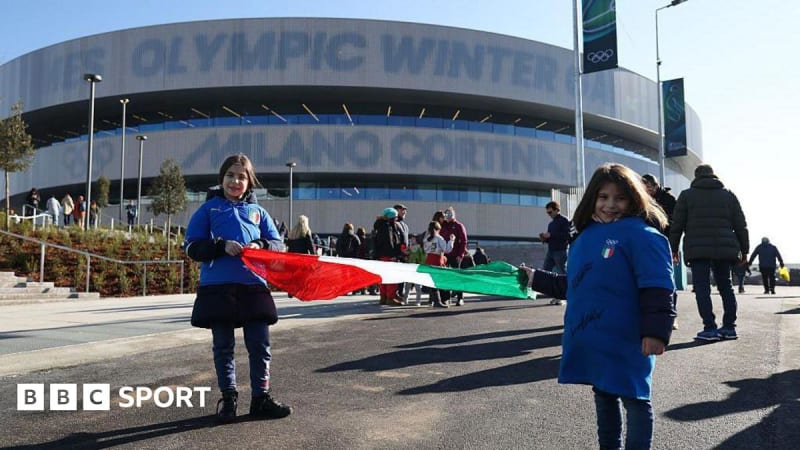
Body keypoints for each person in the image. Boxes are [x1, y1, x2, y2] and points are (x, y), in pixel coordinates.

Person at [524, 163, 675, 450]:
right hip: (593, 335)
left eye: (619, 198)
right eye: (603, 197)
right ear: (592, 198)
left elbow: (658, 286)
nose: (610, 205)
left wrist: (656, 332)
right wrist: (535, 278)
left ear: (634, 199)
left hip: (628, 335)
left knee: (635, 397)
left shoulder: (644, 235)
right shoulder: (583, 237)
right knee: (604, 394)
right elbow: (575, 284)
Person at [183, 153, 291, 423]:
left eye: (241, 176)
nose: (235, 181)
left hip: (253, 285)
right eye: (230, 175)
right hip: (217, 287)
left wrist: (261, 246)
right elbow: (191, 246)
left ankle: (261, 399)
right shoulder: (208, 209)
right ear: (221, 179)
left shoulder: (259, 213)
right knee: (223, 347)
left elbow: (278, 245)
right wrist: (220, 246)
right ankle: (229, 399)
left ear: (249, 182)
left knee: (260, 345)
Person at [669, 164, 749, 342]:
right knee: (726, 287)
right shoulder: (728, 195)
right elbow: (741, 225)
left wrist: (673, 248)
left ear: (696, 177)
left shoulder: (687, 195)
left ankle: (710, 328)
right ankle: (729, 328)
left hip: (698, 249)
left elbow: (677, 225)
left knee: (702, 288)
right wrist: (745, 251)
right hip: (725, 248)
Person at [642, 173, 679, 329]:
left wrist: (674, 247)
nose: (647, 190)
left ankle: (671, 314)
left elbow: (676, 225)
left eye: (649, 187)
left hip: (664, 242)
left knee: (666, 278)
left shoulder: (669, 200)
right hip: (645, 242)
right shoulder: (640, 199)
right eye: (644, 188)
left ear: (656, 186)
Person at [539, 201, 571, 305]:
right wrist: (544, 238)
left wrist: (551, 235)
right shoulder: (551, 224)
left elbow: (567, 235)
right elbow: (551, 238)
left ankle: (564, 297)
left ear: (557, 210)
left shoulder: (564, 220)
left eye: (550, 212)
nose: (549, 215)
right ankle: (556, 295)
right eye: (547, 213)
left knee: (561, 273)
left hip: (560, 251)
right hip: (551, 251)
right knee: (546, 271)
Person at [373, 207, 403, 306]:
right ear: (391, 218)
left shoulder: (379, 226)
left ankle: (383, 297)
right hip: (388, 256)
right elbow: (389, 243)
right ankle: (390, 297)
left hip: (381, 256)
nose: (396, 219)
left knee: (383, 278)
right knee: (391, 278)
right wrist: (393, 255)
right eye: (395, 217)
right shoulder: (387, 227)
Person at [440, 206, 468, 306]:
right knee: (445, 276)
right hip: (444, 255)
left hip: (455, 255)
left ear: (454, 215)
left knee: (457, 276)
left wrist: (460, 254)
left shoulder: (459, 226)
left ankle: (460, 297)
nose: (448, 216)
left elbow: (464, 241)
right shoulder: (442, 226)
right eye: (446, 214)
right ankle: (446, 298)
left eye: (450, 214)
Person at [422, 220, 453, 308]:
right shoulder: (439, 238)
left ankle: (434, 300)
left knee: (432, 281)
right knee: (439, 281)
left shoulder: (426, 238)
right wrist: (451, 241)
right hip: (437, 260)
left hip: (429, 259)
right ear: (438, 229)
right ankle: (439, 300)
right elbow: (447, 249)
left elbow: (425, 250)